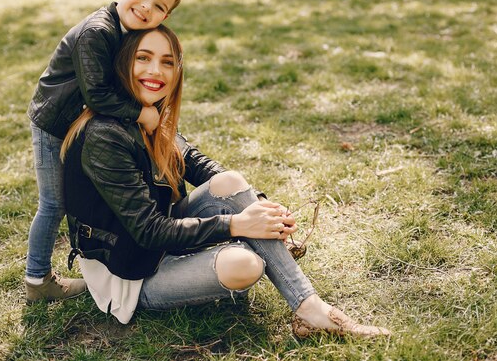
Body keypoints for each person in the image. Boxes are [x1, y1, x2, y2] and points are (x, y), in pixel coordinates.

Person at [60, 25, 392, 338]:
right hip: (128, 273)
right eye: (143, 58)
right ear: (122, 64)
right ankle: (260, 256)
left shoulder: (150, 117)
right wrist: (237, 224)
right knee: (246, 265)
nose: (155, 71)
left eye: (167, 62)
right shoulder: (106, 136)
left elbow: (199, 164)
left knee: (229, 181)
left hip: (161, 241)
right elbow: (148, 231)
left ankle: (310, 307)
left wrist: (260, 208)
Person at [24, 0, 188, 304]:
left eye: (159, 6)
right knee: (53, 203)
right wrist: (142, 112)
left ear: (166, 16)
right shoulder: (97, 31)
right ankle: (38, 280)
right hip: (52, 122)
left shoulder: (124, 29)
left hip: (76, 118)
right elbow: (97, 93)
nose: (146, 7)